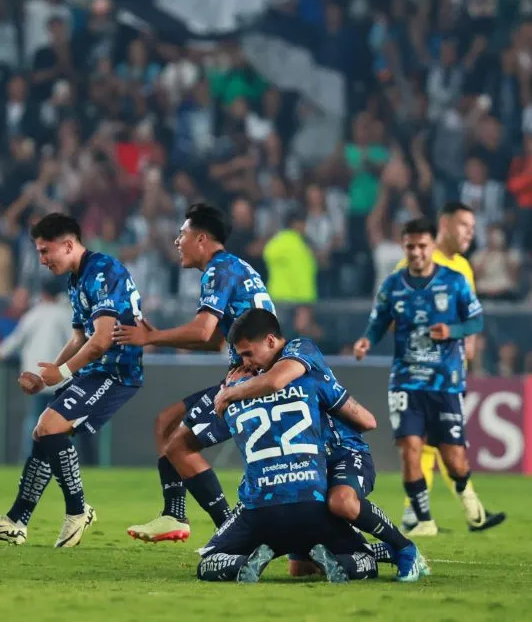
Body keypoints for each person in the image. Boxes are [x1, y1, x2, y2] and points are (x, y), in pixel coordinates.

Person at [0, 212, 143, 547]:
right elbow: (79, 338)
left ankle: (77, 510)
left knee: (48, 427)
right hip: (95, 370)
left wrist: (61, 373)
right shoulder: (77, 279)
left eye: (46, 251)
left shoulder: (102, 271)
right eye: (39, 252)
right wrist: (45, 377)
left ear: (68, 244)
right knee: (42, 432)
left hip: (117, 370)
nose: (42, 260)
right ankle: (17, 521)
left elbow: (102, 340)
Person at [214, 309, 427, 582]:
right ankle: (372, 552)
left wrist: (229, 393)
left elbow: (276, 381)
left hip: (342, 454)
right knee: (301, 569)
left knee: (342, 502)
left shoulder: (300, 349)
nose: (246, 362)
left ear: (270, 341)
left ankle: (404, 548)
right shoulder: (263, 374)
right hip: (309, 462)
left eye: (248, 354)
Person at [115, 203, 273, 542]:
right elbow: (215, 339)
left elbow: (202, 331)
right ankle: (175, 514)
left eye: (182, 234)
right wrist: (157, 338)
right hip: (248, 372)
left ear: (201, 239)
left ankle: (231, 532)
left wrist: (152, 336)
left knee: (179, 445)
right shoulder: (235, 268)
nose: (176, 242)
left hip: (254, 379)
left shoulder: (219, 270)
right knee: (166, 423)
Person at [354, 218, 505, 536]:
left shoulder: (454, 281)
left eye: (422, 246)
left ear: (433, 246)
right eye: (410, 247)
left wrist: (453, 331)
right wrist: (367, 339)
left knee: (454, 460)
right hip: (406, 380)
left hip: (445, 381)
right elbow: (379, 319)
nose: (417, 253)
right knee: (409, 446)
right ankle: (423, 520)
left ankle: (470, 507)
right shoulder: (393, 284)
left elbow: (476, 322)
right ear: (403, 246)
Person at [391, 201, 477, 531]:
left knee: (434, 441)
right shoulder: (416, 258)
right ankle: (418, 512)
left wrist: (467, 350)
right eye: (464, 225)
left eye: (472, 226)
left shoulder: (463, 267)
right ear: (444, 225)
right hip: (420, 369)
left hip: (451, 370)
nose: (470, 232)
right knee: (423, 440)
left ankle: (419, 513)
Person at [0, 278, 74, 460]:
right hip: (59, 378)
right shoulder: (66, 315)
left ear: (43, 294)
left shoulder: (33, 315)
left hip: (35, 378)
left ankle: (31, 457)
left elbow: (16, 340)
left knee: (33, 419)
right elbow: (75, 343)